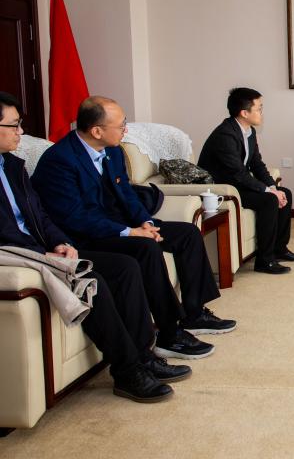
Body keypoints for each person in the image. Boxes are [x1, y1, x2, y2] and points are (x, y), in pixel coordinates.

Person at [0, 91, 189, 402]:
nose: (21, 131)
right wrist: (41, 251)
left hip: (48, 247)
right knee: (94, 280)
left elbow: (40, 214)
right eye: (14, 125)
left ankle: (144, 356)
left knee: (126, 267)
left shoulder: (11, 166)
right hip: (19, 254)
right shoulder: (59, 159)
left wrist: (58, 241)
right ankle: (127, 371)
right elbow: (7, 230)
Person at [31, 96, 234, 359]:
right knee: (145, 247)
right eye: (121, 126)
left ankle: (194, 314)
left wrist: (145, 222)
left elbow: (126, 194)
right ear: (97, 131)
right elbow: (75, 217)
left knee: (187, 233)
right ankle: (169, 334)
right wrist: (130, 232)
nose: (125, 131)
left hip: (118, 223)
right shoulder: (60, 160)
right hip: (85, 235)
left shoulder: (113, 150)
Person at [198, 87, 294, 274]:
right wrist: (269, 192)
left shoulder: (249, 132)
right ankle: (264, 261)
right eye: (259, 109)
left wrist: (273, 187)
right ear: (244, 113)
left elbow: (257, 165)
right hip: (223, 189)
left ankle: (279, 249)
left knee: (284, 193)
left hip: (237, 184)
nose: (262, 113)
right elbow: (238, 173)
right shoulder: (225, 135)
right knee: (269, 200)